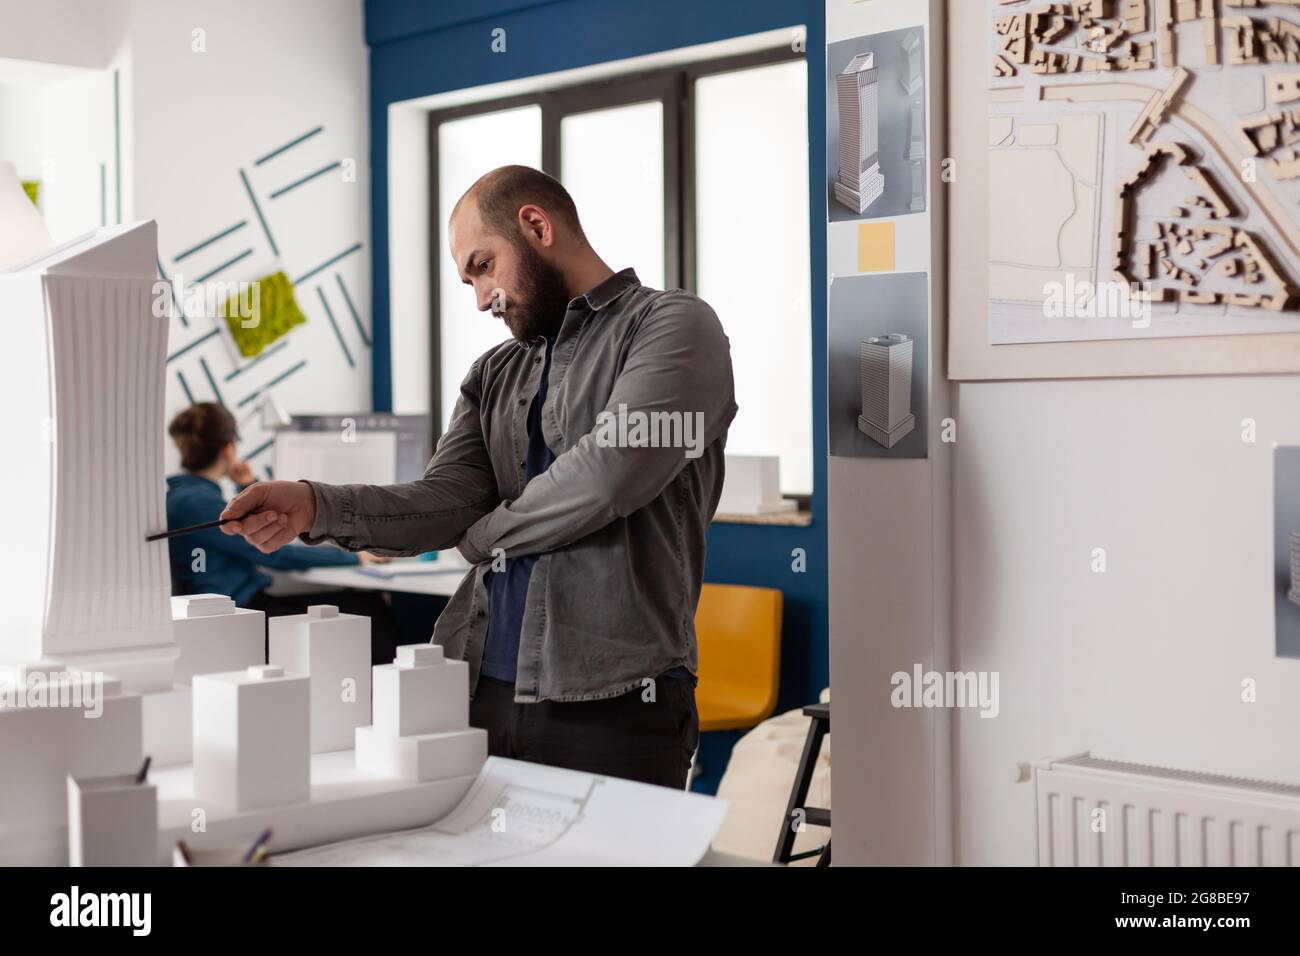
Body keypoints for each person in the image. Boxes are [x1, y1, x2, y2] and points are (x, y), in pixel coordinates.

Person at [220, 165, 736, 789]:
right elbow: (445, 499)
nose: (480, 298)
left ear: (536, 226)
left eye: (483, 266)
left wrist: (481, 537)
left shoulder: (673, 325)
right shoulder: (494, 371)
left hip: (618, 700)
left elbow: (607, 476)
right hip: (477, 687)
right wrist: (312, 504)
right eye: (468, 281)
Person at [166, 402, 402, 663]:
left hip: (232, 610)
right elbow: (273, 551)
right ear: (229, 449)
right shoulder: (199, 503)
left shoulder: (182, 496)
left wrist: (246, 486)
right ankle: (389, 693)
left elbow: (255, 531)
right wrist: (355, 556)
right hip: (243, 612)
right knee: (368, 608)